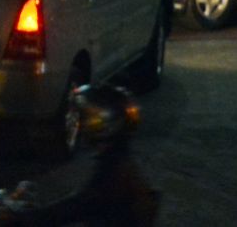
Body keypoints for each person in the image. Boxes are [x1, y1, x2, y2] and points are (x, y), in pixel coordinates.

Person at [21, 85, 159, 225]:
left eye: (86, 117)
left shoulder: (114, 171)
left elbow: (76, 207)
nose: (79, 123)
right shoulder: (117, 159)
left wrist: (20, 218)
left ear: (105, 124)